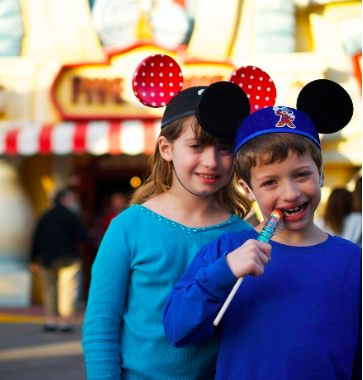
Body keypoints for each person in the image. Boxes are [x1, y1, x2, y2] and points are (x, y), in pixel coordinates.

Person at [163, 79, 361, 379]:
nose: (291, 193)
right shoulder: (226, 251)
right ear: (247, 189)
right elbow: (178, 331)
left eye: (302, 175)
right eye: (270, 182)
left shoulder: (354, 262)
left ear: (320, 173)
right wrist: (223, 272)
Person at [82, 83, 254, 379]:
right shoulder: (128, 227)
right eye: (196, 146)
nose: (211, 161)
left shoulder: (245, 237)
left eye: (224, 148)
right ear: (166, 148)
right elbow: (100, 327)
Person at [30, 186, 90, 332]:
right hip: (69, 259)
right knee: (68, 289)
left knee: (49, 290)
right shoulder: (71, 216)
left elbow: (36, 238)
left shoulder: (45, 216)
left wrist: (33, 259)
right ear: (63, 200)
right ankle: (65, 322)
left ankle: (51, 321)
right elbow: (84, 236)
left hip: (47, 260)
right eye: (70, 199)